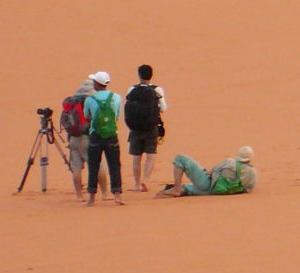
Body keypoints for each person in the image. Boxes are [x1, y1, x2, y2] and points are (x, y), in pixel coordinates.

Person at [82, 71, 124, 205]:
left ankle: (91, 198)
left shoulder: (90, 99)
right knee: (115, 165)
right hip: (111, 134)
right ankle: (117, 195)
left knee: (93, 166)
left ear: (96, 84)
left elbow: (87, 116)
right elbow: (116, 116)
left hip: (95, 135)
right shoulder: (116, 97)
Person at [124, 64, 167, 192]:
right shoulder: (157, 90)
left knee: (136, 156)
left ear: (139, 75)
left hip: (135, 128)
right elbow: (163, 108)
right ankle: (146, 179)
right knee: (151, 154)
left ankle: (137, 184)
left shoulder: (132, 89)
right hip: (151, 126)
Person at [159, 146, 257, 197]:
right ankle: (178, 190)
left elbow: (211, 171)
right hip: (218, 192)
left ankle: (176, 189)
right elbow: (248, 189)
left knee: (180, 158)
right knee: (188, 188)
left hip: (208, 185)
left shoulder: (230, 162)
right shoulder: (253, 173)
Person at [58, 79, 94, 202]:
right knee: (94, 166)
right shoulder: (89, 102)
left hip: (73, 138)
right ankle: (94, 193)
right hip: (86, 138)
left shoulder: (71, 103)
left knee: (76, 168)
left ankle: (79, 195)